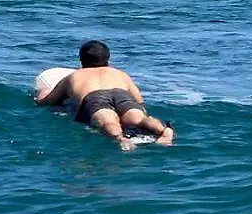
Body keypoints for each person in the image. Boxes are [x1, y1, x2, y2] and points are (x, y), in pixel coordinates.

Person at [36, 40, 174, 151]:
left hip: (94, 98)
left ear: (81, 61)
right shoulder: (119, 73)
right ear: (108, 60)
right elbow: (140, 101)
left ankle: (121, 139)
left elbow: (47, 101)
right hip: (122, 94)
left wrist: (42, 93)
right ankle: (164, 131)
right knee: (139, 118)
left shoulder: (73, 76)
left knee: (108, 121)